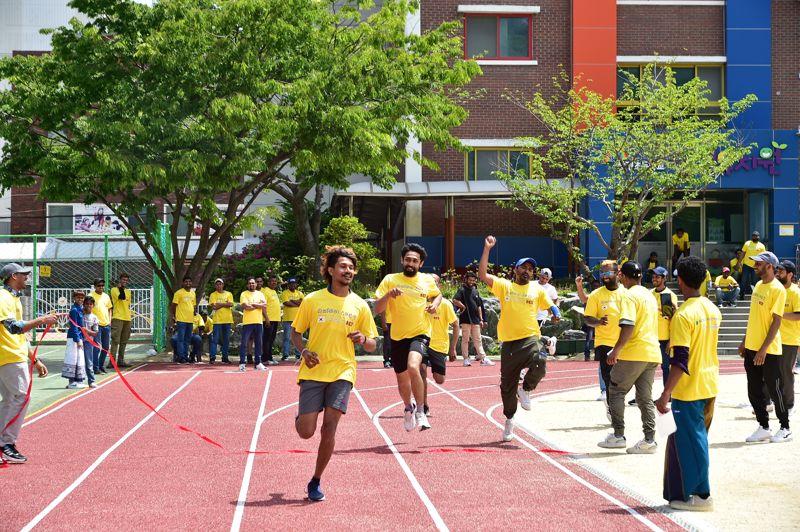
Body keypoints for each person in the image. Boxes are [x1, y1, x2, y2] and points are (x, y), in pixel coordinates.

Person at [291, 246, 378, 501]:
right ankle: (302, 416)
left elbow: (373, 343)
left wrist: (363, 339)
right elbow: (296, 332)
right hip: (315, 370)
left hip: (343, 371)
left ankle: (316, 480)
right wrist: (304, 351)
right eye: (343, 266)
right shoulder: (313, 300)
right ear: (330, 270)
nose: (348, 270)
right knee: (306, 431)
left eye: (351, 267)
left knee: (329, 429)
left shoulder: (359, 305)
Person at [478, 235, 560, 442]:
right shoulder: (505, 286)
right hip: (509, 344)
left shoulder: (537, 289)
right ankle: (509, 418)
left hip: (531, 337)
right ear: (515, 270)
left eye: (531, 269)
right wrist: (487, 249)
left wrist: (555, 312)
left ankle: (526, 389)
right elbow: (482, 275)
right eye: (524, 268)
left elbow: (550, 303)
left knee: (540, 361)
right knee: (507, 386)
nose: (527, 271)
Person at [655, 255, 721, 512]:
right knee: (698, 439)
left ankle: (701, 495)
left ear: (679, 281)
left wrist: (665, 393)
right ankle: (689, 492)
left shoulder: (684, 315)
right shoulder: (712, 309)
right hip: (709, 384)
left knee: (691, 442)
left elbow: (680, 359)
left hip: (689, 389)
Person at [375, 243, 441, 432]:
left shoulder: (427, 280)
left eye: (415, 260)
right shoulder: (390, 279)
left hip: (420, 333)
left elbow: (438, 295)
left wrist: (435, 304)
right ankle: (408, 407)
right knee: (402, 380)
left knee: (414, 366)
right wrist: (388, 295)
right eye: (408, 259)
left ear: (420, 264)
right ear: (402, 261)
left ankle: (420, 410)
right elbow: (377, 308)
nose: (411, 263)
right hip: (398, 335)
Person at [598, 261, 661, 454]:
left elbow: (628, 324)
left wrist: (616, 350)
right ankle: (649, 439)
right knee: (645, 398)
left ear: (623, 276)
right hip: (652, 352)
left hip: (634, 352)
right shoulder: (649, 295)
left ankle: (618, 435)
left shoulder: (629, 296)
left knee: (616, 391)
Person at [0, 263, 58, 464]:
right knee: (21, 398)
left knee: (10, 400)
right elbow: (14, 328)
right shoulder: (3, 297)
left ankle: (4, 443)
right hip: (8, 358)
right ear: (13, 276)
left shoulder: (13, 299)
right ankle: (6, 444)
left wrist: (35, 359)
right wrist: (42, 320)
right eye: (24, 274)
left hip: (13, 355)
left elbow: (21, 338)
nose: (27, 278)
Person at [738, 251, 791, 443]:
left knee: (775, 389)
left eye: (759, 263)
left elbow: (776, 322)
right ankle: (764, 426)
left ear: (770, 266)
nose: (755, 266)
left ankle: (785, 428)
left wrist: (763, 349)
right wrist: (745, 340)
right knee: (754, 390)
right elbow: (754, 317)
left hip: (769, 350)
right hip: (752, 347)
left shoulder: (778, 289)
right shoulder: (759, 285)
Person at [584, 260, 627, 415]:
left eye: (608, 273)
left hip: (626, 343)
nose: (604, 276)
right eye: (602, 273)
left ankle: (615, 405)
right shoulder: (596, 295)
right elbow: (588, 318)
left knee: (623, 381)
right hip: (605, 343)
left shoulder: (627, 292)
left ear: (617, 274)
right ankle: (612, 409)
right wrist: (599, 321)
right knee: (609, 378)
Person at [420, 274, 459, 420]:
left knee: (439, 379)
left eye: (434, 283)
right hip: (422, 342)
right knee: (421, 372)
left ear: (439, 286)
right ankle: (423, 405)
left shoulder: (446, 304)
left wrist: (453, 348)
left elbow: (455, 325)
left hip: (439, 345)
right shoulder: (419, 301)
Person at [452, 271, 493, 366]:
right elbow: (454, 300)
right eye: (470, 280)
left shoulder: (476, 291)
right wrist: (462, 307)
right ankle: (466, 359)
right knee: (465, 340)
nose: (471, 282)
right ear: (466, 279)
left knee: (478, 339)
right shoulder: (461, 290)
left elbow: (479, 306)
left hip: (476, 320)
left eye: (473, 280)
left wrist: (481, 319)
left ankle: (483, 358)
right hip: (465, 319)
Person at [776, 260, 800, 417]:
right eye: (778, 270)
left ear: (790, 275)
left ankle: (790, 404)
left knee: (785, 373)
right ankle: (772, 401)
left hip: (790, 340)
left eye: (782, 271)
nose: (778, 273)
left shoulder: (796, 293)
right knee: (771, 373)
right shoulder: (776, 290)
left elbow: (798, 316)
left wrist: (779, 314)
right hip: (775, 339)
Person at [651, 266, 677, 387]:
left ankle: (667, 394)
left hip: (664, 338)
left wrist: (671, 340)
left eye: (657, 277)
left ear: (664, 278)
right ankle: (643, 395)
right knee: (646, 367)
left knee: (665, 367)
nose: (654, 278)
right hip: (650, 337)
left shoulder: (669, 295)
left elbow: (672, 319)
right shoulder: (649, 294)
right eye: (653, 276)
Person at [239, 277, 267, 372]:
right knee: (244, 343)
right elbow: (246, 307)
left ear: (256, 284)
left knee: (259, 343)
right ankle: (242, 363)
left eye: (253, 283)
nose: (251, 285)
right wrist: (257, 305)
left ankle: (258, 363)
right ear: (247, 285)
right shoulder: (244, 294)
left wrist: (253, 304)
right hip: (248, 322)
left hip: (258, 322)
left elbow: (264, 305)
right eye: (250, 283)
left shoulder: (260, 293)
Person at [63, 291, 87, 389]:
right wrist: (78, 340)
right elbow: (74, 326)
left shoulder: (80, 309)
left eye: (82, 297)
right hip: (73, 337)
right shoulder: (74, 310)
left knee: (79, 359)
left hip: (79, 336)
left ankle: (78, 380)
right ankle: (71, 382)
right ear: (74, 298)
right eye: (78, 297)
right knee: (73, 358)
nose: (80, 299)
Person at [170, 276, 196, 364]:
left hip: (190, 320)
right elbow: (174, 305)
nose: (188, 283)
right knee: (180, 339)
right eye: (186, 282)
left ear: (191, 283)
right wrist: (175, 316)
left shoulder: (193, 293)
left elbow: (194, 305)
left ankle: (185, 356)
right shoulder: (178, 293)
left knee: (187, 339)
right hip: (181, 320)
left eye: (189, 281)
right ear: (183, 283)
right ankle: (180, 357)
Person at [89, 278, 112, 374]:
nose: (101, 287)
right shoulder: (90, 296)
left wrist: (110, 320)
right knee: (97, 347)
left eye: (102, 285)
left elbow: (110, 308)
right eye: (99, 285)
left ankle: (101, 365)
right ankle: (95, 367)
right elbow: (87, 309)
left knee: (106, 347)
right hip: (96, 325)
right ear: (95, 286)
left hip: (106, 325)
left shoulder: (106, 296)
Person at [109, 273, 132, 368]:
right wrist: (120, 288)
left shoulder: (128, 291)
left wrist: (123, 289)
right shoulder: (114, 290)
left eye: (126, 280)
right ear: (119, 280)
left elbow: (127, 302)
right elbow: (121, 297)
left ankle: (121, 360)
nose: (125, 282)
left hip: (127, 318)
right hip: (118, 317)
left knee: (124, 341)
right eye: (123, 280)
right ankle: (112, 361)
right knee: (115, 340)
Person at [208, 278, 233, 364]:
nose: (219, 286)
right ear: (215, 286)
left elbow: (231, 304)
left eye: (220, 284)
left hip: (227, 320)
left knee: (226, 340)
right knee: (215, 339)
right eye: (217, 284)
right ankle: (212, 357)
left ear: (223, 285)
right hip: (217, 320)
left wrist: (220, 304)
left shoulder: (229, 294)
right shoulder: (213, 295)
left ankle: (225, 357)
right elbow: (214, 307)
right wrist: (225, 304)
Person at [281, 278, 304, 361]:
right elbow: (286, 303)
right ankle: (285, 355)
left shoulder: (300, 293)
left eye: (294, 283)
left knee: (298, 337)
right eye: (291, 283)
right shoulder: (284, 293)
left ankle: (298, 354)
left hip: (298, 319)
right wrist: (297, 303)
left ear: (296, 284)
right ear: (288, 285)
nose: (293, 285)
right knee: (286, 337)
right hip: (287, 319)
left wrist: (292, 301)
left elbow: (302, 303)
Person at [740, 231, 766, 300]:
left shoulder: (762, 246)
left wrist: (762, 266)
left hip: (756, 266)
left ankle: (755, 296)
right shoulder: (747, 243)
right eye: (754, 236)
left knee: (754, 281)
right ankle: (741, 295)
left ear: (759, 237)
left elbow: (763, 257)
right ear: (752, 236)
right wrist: (739, 262)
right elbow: (742, 253)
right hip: (746, 265)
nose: (755, 237)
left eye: (756, 236)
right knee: (743, 280)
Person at [262, 275, 281, 365]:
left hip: (275, 319)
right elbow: (263, 306)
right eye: (272, 281)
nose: (274, 283)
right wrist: (266, 318)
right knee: (267, 339)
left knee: (271, 340)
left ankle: (270, 357)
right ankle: (265, 358)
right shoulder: (265, 291)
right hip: (269, 319)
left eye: (275, 281)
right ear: (268, 282)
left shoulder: (274, 291)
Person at [82, 296, 99, 388]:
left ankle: (91, 380)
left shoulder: (94, 318)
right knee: (78, 361)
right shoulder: (80, 314)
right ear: (84, 304)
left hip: (88, 342)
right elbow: (69, 324)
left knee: (89, 361)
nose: (88, 306)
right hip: (79, 342)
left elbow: (95, 333)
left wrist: (87, 331)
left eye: (90, 304)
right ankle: (77, 380)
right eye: (87, 304)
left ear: (93, 305)